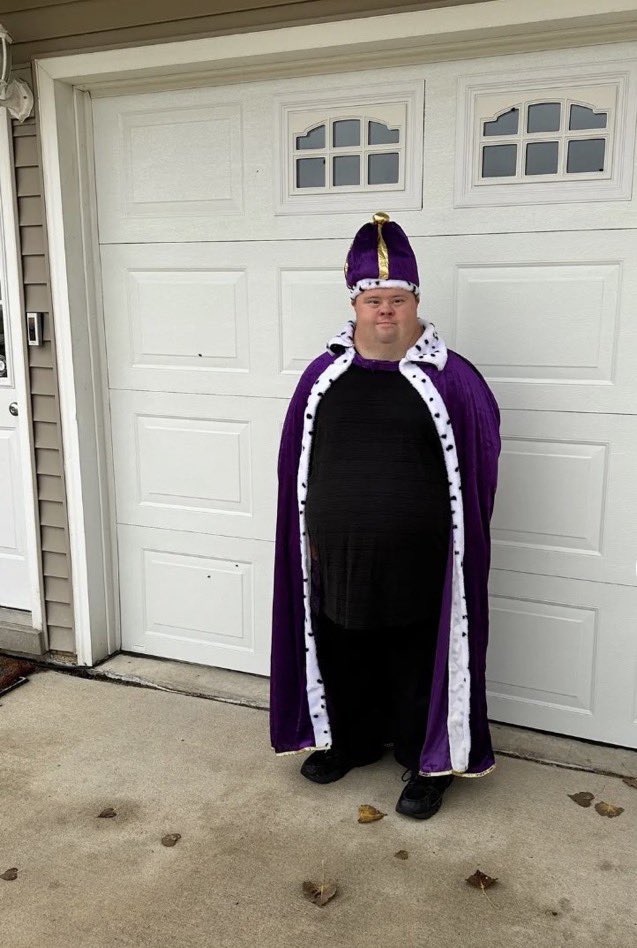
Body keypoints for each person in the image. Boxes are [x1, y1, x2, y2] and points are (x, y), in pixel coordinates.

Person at [269, 212, 501, 820]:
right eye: (374, 300)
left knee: (414, 655)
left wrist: (456, 547)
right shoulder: (322, 377)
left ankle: (428, 764)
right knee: (343, 645)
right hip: (336, 552)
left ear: (415, 302)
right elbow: (296, 464)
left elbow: (480, 466)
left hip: (421, 558)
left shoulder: (454, 380)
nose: (386, 311)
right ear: (355, 304)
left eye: (397, 299)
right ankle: (352, 742)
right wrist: (306, 533)